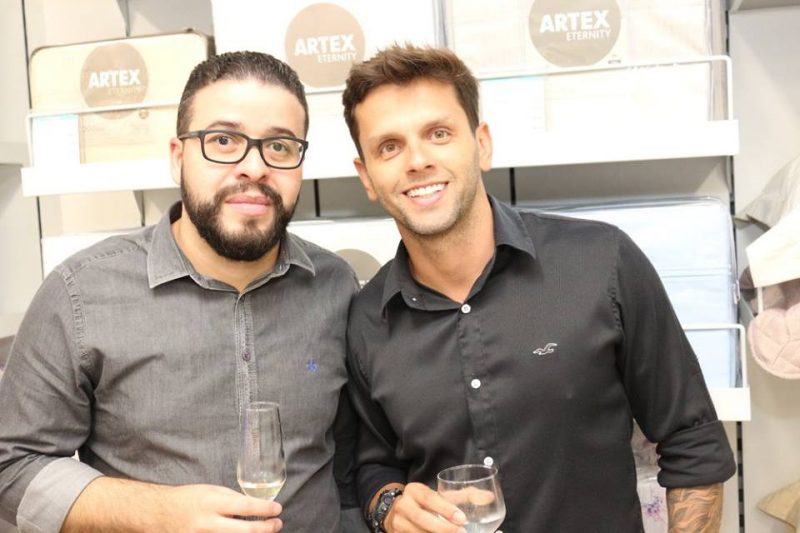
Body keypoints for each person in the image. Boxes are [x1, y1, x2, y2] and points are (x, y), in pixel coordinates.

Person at [341, 44, 736, 532]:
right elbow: (374, 463)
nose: (417, 160)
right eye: (389, 146)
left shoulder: (602, 262)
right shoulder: (366, 319)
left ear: (482, 144)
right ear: (367, 177)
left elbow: (692, 442)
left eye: (438, 133)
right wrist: (389, 506)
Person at [0, 51, 362, 532]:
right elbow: (12, 465)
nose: (254, 167)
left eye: (279, 146)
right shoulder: (80, 293)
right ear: (178, 157)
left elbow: (352, 462)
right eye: (223, 140)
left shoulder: (335, 286)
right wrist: (153, 512)